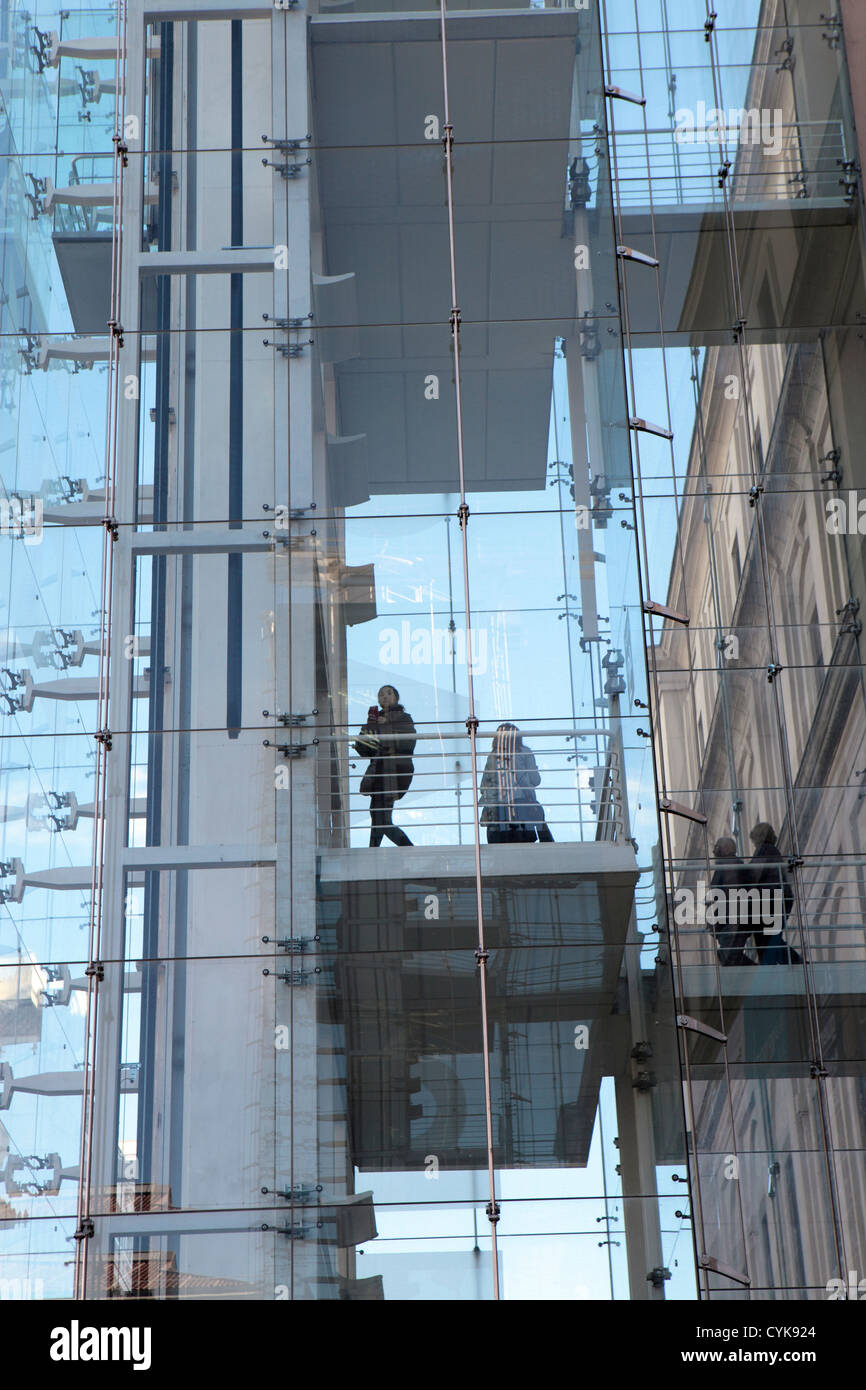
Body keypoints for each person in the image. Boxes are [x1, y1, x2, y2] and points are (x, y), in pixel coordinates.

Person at [355, 685, 416, 847]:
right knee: (377, 817)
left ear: (396, 697)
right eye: (381, 694)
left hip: (393, 773)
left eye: (389, 693)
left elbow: (407, 743)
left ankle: (407, 849)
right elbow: (363, 750)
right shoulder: (375, 720)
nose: (384, 696)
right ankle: (373, 852)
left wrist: (385, 726)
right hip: (378, 773)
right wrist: (369, 727)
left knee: (382, 819)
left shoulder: (404, 718)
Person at [479, 723, 554, 844]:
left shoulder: (492, 756)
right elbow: (536, 780)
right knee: (525, 846)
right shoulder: (524, 752)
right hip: (521, 806)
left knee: (501, 849)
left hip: (499, 811)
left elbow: (484, 787)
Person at [744, 822, 803, 964]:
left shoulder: (764, 850)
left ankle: (796, 964)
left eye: (754, 839)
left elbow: (753, 875)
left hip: (770, 903)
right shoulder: (771, 850)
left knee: (768, 943)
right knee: (771, 941)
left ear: (759, 837)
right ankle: (796, 965)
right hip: (775, 901)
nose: (753, 843)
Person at [708, 836, 755, 966]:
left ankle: (759, 974)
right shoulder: (726, 867)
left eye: (717, 847)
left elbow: (730, 893)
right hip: (728, 922)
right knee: (727, 956)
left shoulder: (730, 866)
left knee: (728, 956)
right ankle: (758, 974)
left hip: (733, 920)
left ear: (727, 849)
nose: (714, 852)